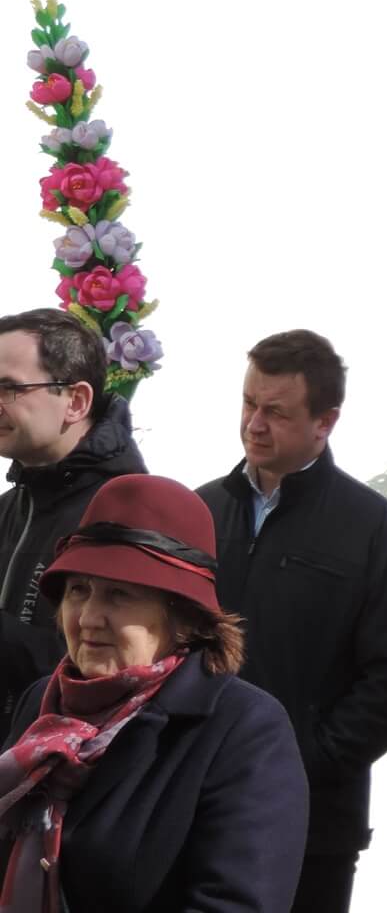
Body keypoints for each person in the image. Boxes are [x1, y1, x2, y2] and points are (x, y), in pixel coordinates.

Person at [196, 329, 387, 912]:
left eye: (275, 412)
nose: (254, 423)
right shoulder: (200, 512)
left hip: (311, 826)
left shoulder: (376, 533)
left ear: (325, 422)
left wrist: (305, 760)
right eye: (249, 403)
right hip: (193, 804)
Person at [0, 474, 307, 910]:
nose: (88, 617)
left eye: (118, 595)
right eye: (78, 591)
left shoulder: (243, 729)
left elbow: (235, 903)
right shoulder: (42, 702)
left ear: (181, 616)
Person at [0, 309, 146, 731]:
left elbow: (113, 668)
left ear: (77, 401)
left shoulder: (126, 508)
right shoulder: (13, 505)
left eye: (10, 388)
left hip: (71, 768)